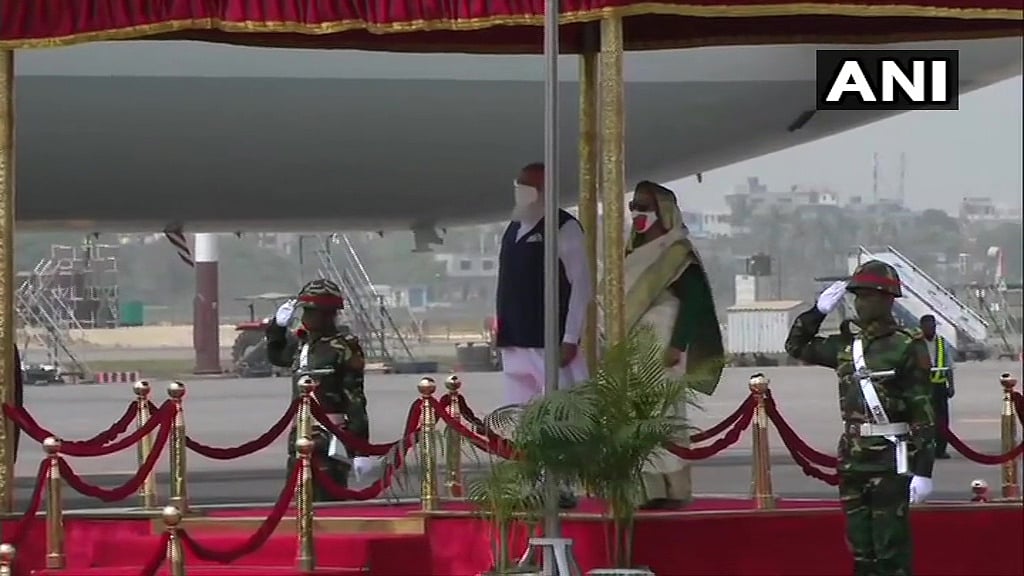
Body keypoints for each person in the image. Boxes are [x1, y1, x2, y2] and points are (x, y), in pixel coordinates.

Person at [785, 260, 935, 576]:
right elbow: (796, 346)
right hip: (853, 461)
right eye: (857, 296)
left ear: (887, 299)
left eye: (868, 295)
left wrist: (924, 470)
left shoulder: (907, 345)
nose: (860, 302)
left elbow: (922, 411)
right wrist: (817, 312)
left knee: (890, 553)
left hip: (889, 461)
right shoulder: (846, 345)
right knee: (861, 553)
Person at [494, 162, 591, 508]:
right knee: (519, 416)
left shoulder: (564, 228)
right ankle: (530, 482)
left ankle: (560, 484)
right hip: (516, 339)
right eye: (519, 185)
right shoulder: (513, 229)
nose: (522, 193)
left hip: (548, 340)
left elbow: (581, 285)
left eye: (529, 187)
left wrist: (570, 336)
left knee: (557, 415)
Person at [623, 181, 724, 510]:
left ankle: (673, 489)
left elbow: (694, 303)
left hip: (665, 347)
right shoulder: (633, 252)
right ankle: (646, 489)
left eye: (644, 207)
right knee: (637, 418)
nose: (637, 213)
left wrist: (678, 345)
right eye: (633, 206)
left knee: (664, 416)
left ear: (663, 212)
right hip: (636, 350)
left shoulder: (677, 252)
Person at [266, 278, 377, 500]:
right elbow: (277, 356)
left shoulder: (344, 348)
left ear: (327, 314)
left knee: (326, 497)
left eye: (310, 312)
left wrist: (360, 449)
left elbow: (355, 399)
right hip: (301, 432)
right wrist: (277, 328)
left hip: (330, 436)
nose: (305, 317)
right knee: (295, 497)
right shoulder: (303, 344)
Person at [918, 314, 954, 459]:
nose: (930, 329)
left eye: (933, 327)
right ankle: (925, 449)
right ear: (922, 327)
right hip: (922, 387)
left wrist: (951, 385)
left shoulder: (941, 342)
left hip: (939, 386)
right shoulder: (915, 343)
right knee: (924, 419)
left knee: (942, 419)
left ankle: (940, 449)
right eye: (927, 327)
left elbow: (948, 365)